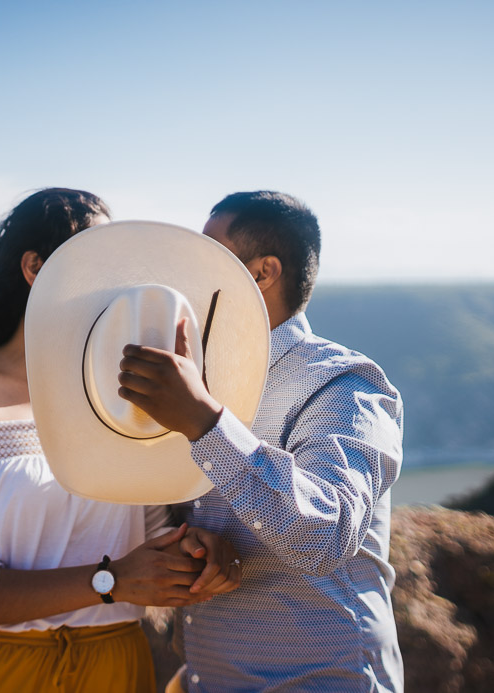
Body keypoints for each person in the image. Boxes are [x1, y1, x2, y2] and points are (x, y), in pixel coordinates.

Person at [0, 188, 240, 693]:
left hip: (115, 666)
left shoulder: (124, 393)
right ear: (34, 267)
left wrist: (198, 549)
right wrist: (110, 581)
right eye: (96, 259)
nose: (117, 279)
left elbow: (146, 533)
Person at [118, 191, 404, 691]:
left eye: (209, 254)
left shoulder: (344, 384)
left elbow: (327, 536)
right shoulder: (200, 380)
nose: (188, 273)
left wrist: (204, 422)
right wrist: (200, 547)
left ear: (262, 272)